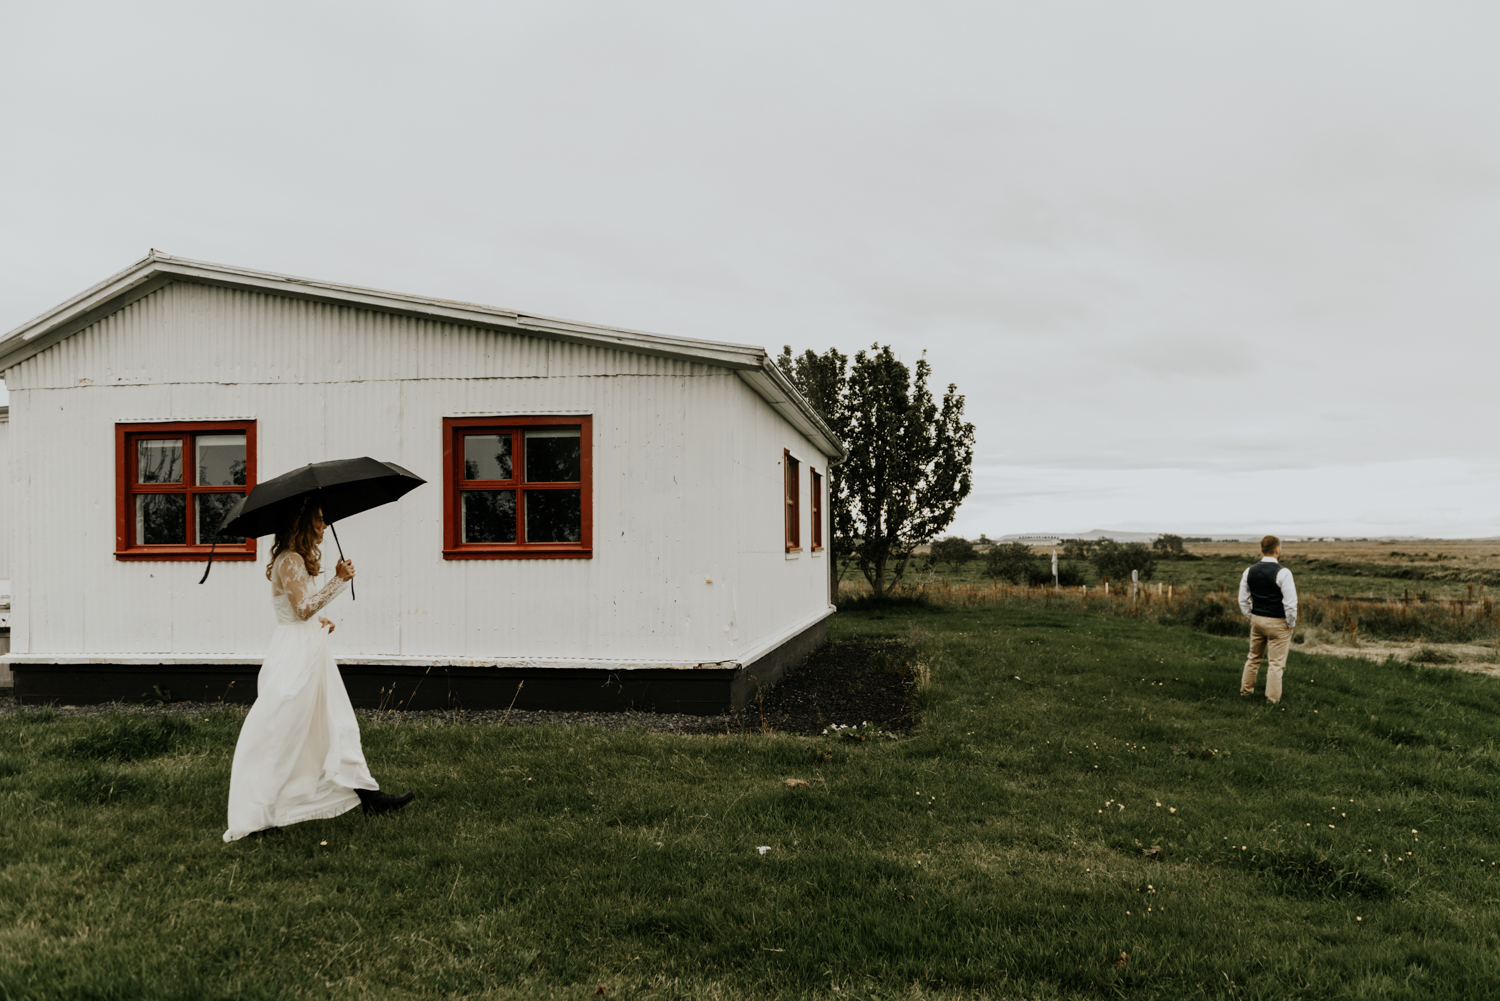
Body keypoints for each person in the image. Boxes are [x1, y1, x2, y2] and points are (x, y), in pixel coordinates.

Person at [223, 499, 414, 842]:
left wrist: (321, 620)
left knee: (336, 722)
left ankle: (367, 795)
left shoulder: (294, 560)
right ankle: (257, 817)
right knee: (284, 731)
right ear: (303, 523)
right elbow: (300, 609)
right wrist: (339, 582)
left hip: (310, 649)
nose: (324, 526)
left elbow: (301, 611)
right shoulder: (290, 560)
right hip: (296, 655)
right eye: (320, 520)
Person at [1238, 534, 1298, 703]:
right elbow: (1291, 604)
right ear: (1277, 550)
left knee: (1253, 658)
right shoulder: (1283, 573)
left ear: (1261, 550)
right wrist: (1290, 623)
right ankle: (1271, 700)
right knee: (1276, 663)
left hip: (1257, 619)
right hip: (1278, 622)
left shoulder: (1249, 571)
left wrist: (1251, 615)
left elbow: (1242, 600)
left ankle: (1246, 692)